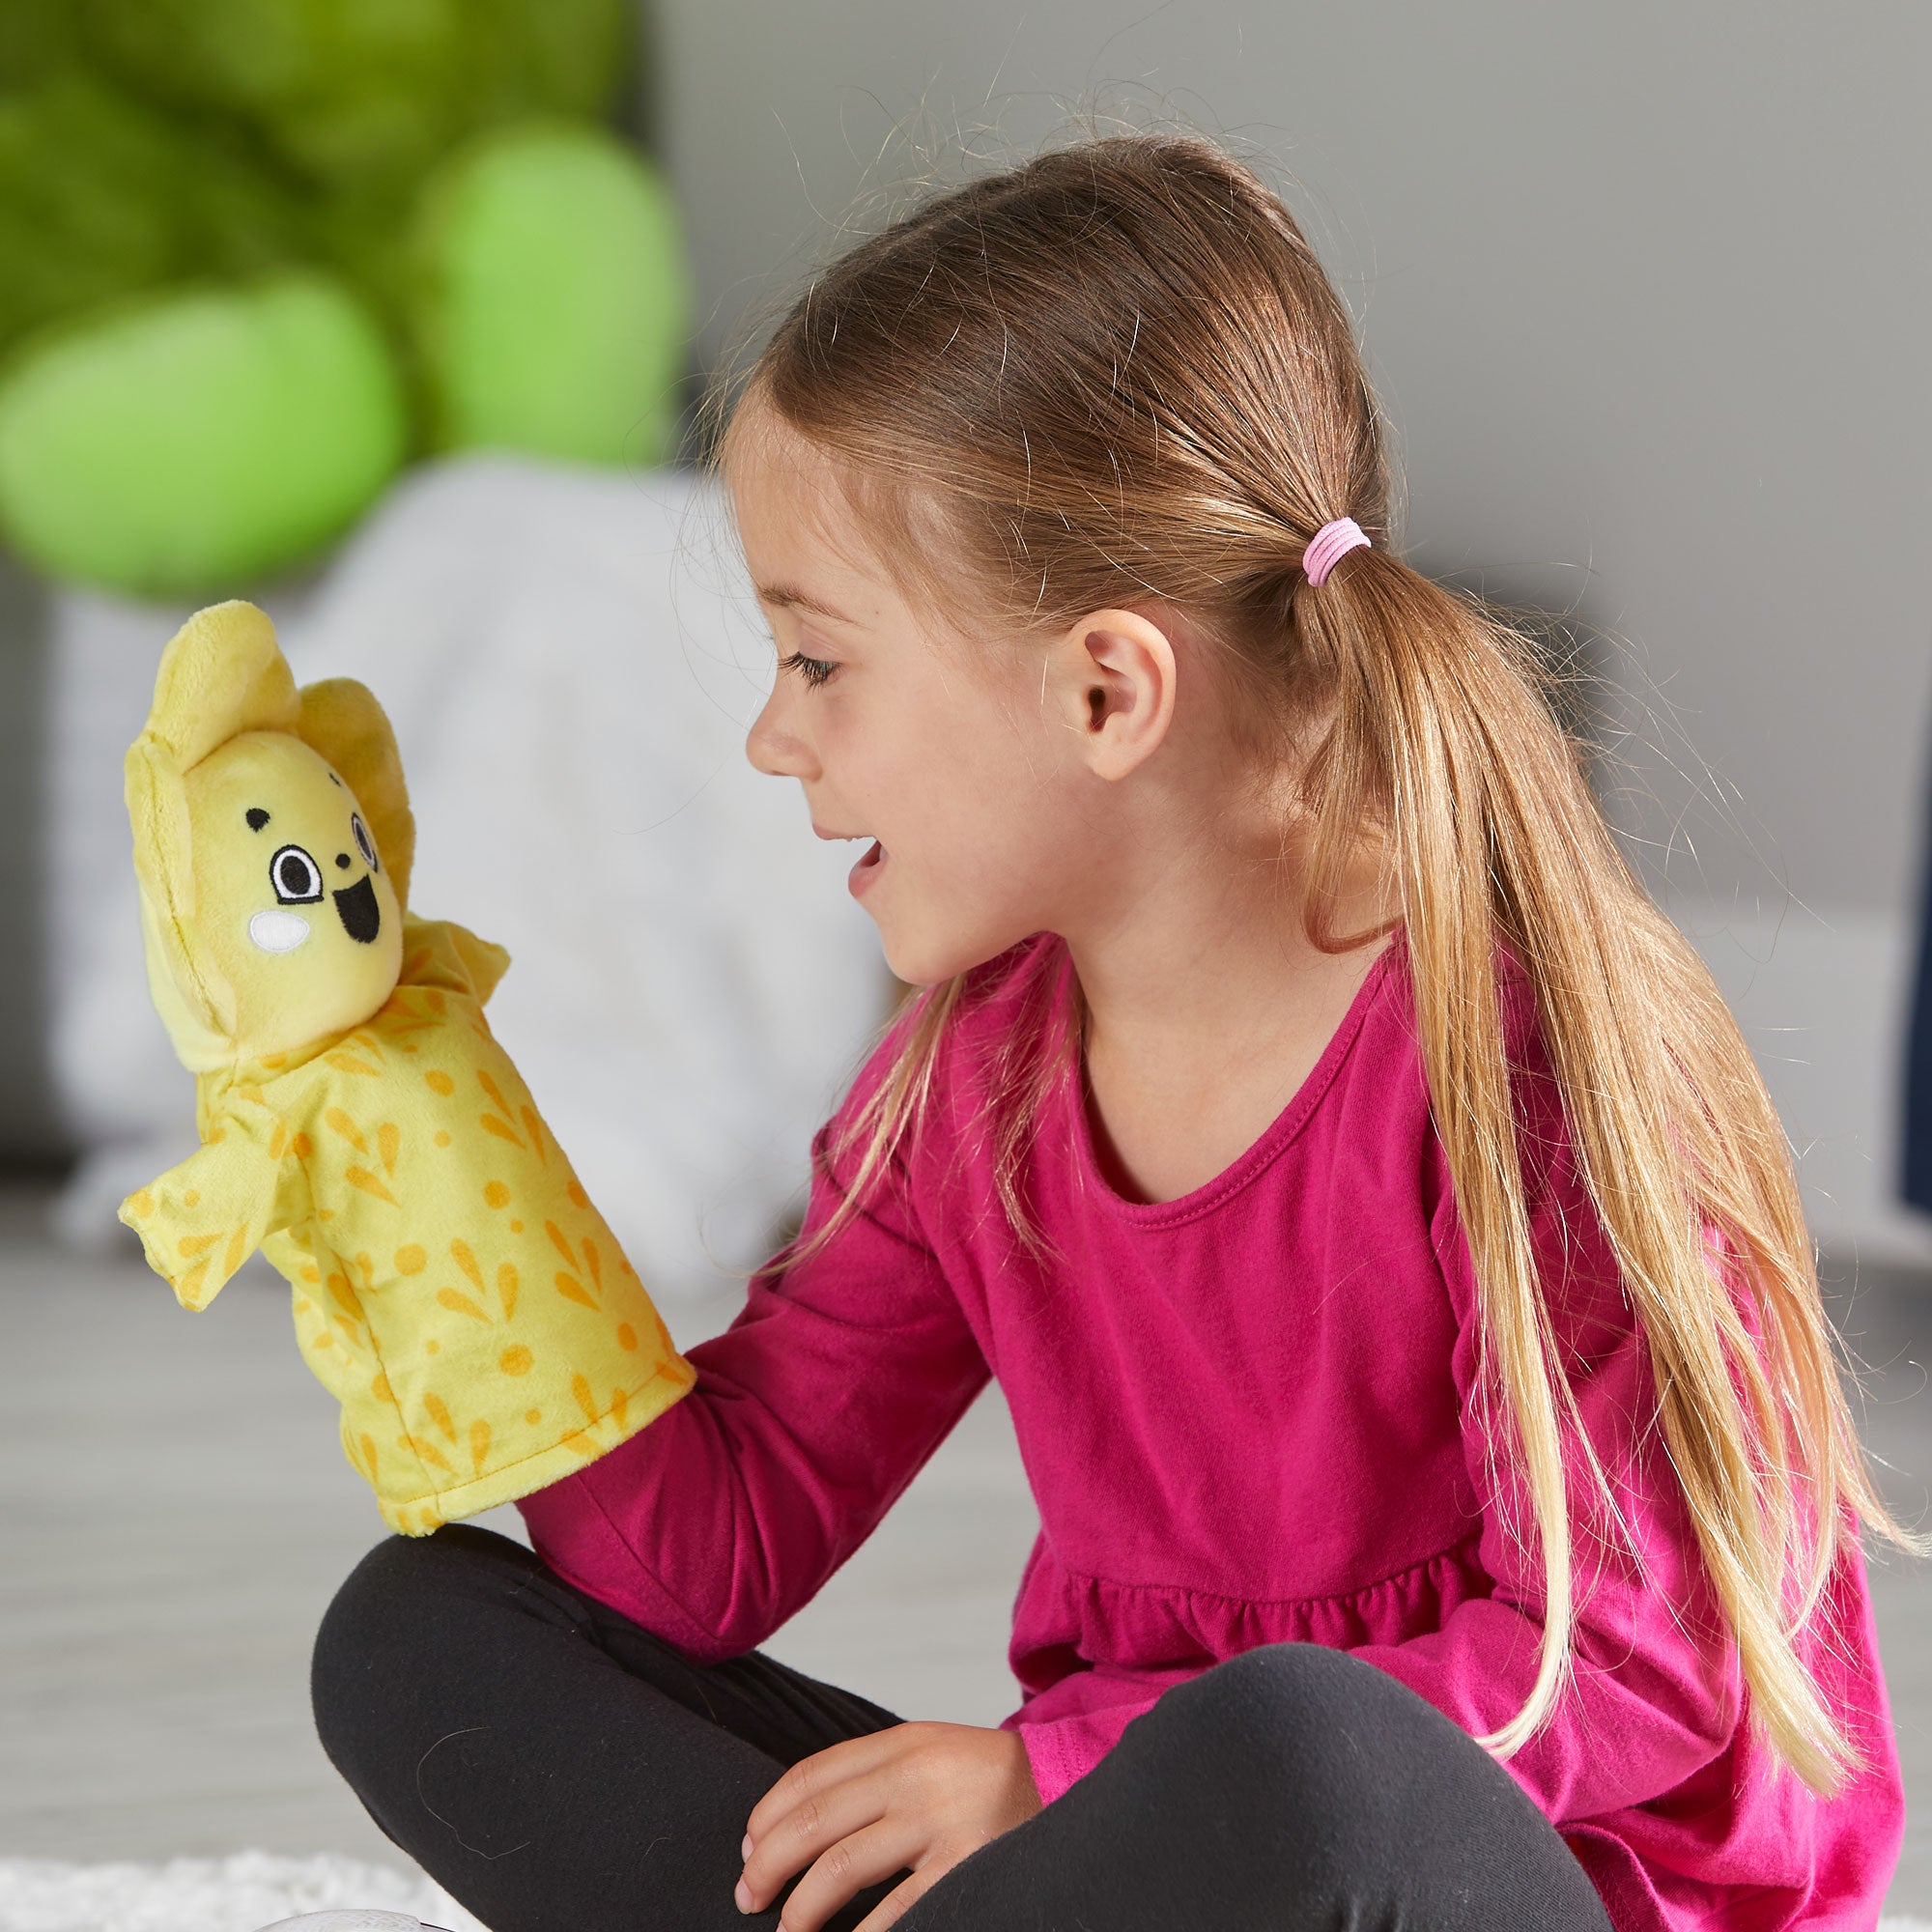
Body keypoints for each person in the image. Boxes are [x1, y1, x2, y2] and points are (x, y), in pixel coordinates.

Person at [309, 129, 1918, 1932]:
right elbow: (710, 1552)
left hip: (1525, 1876)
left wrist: (1055, 1774)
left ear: (1105, 691)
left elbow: (1630, 1674)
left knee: (1304, 1751)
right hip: (1147, 1871)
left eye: (818, 660)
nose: (774, 738)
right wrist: (448, 1186)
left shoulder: (1523, 1053)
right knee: (419, 1638)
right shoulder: (968, 1077)